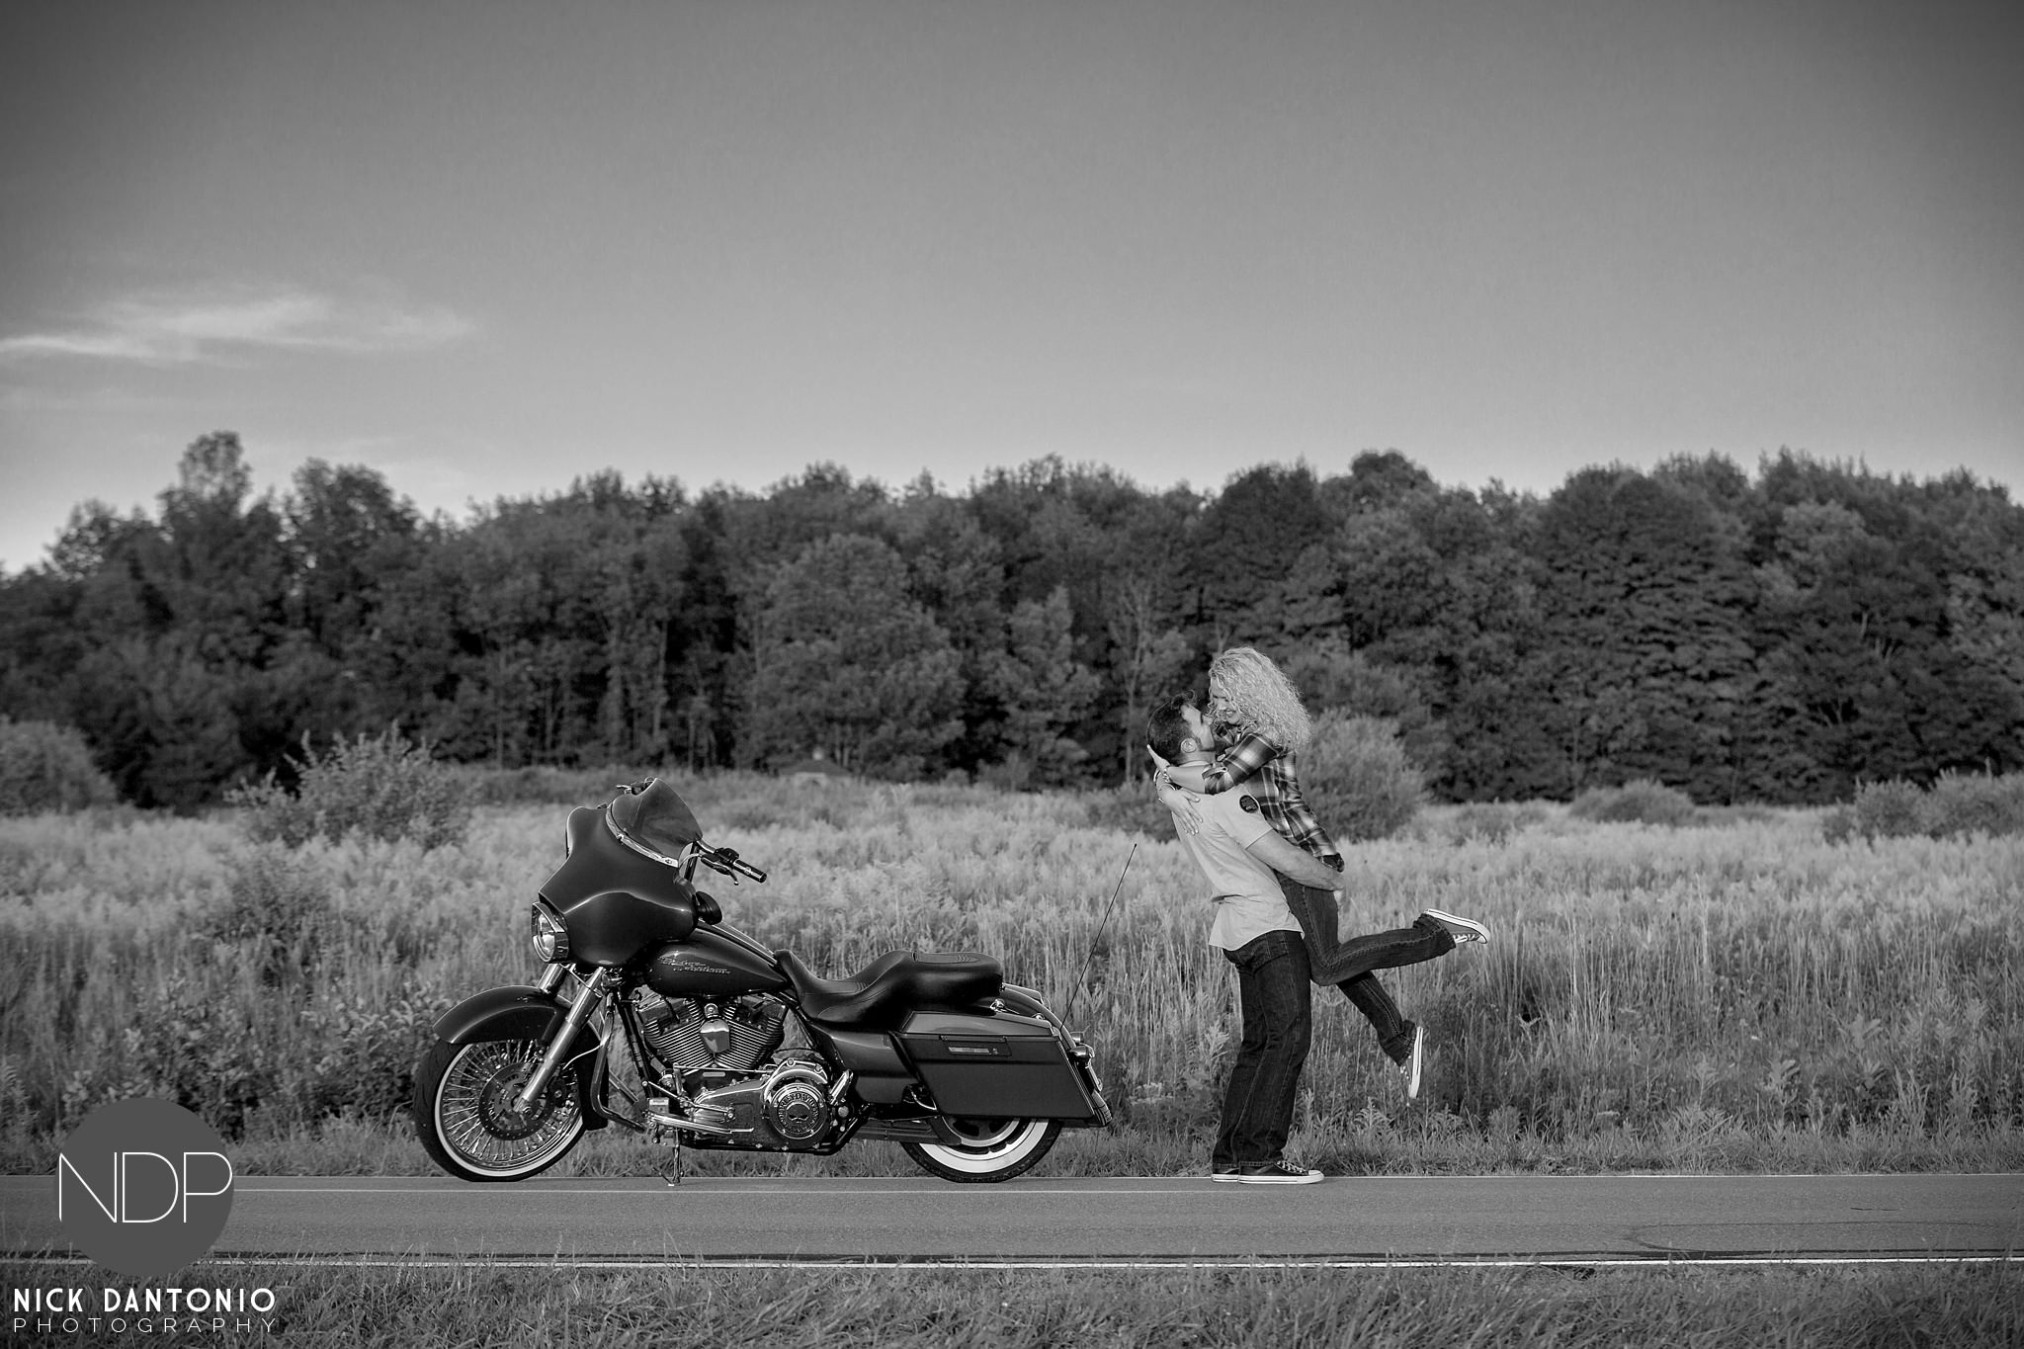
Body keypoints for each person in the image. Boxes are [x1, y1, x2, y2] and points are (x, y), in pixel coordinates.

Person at [1147, 695, 1479, 1183]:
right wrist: (1332, 880)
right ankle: (1260, 1157)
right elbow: (1280, 855)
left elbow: (1166, 764)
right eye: (1201, 719)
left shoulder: (1186, 792)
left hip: (1237, 930)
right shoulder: (1220, 795)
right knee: (1288, 1040)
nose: (1210, 718)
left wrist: (1165, 779)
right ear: (1190, 742)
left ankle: (1233, 1157)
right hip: (1271, 926)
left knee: (1259, 1045)